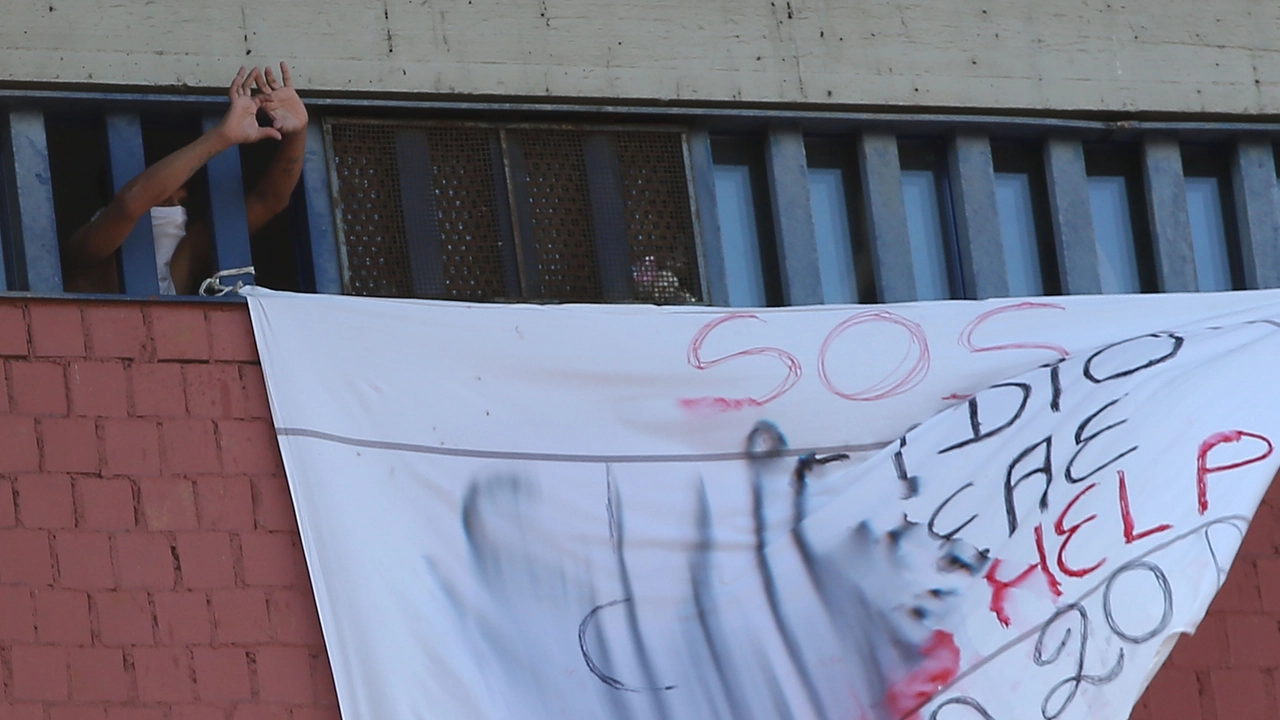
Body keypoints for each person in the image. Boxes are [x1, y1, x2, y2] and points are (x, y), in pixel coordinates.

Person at [63, 63, 309, 294]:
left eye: (181, 203)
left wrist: (297, 133)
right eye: (163, 202)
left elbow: (270, 201)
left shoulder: (185, 253)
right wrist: (223, 137)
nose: (174, 213)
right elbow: (130, 204)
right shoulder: (90, 249)